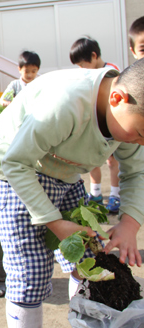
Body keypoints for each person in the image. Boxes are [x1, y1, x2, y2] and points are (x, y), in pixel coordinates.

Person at [0, 59, 144, 328]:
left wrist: (129, 223)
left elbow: (137, 170)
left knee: (88, 261)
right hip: (17, 170)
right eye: (139, 134)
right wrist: (55, 223)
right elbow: (16, 162)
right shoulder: (67, 103)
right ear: (117, 98)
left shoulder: (128, 114)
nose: (139, 143)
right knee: (29, 273)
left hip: (67, 172)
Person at [69, 37, 121, 213]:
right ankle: (96, 193)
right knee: (93, 162)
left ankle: (115, 195)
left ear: (93, 55)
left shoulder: (112, 72)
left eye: (83, 64)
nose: (81, 69)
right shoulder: (88, 74)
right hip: (94, 126)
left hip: (109, 126)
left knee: (112, 161)